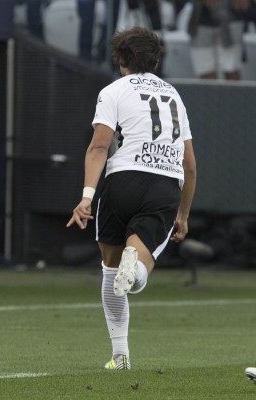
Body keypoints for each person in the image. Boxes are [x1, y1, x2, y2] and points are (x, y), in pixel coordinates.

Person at [66, 27, 197, 370]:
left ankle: (120, 356)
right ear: (155, 60)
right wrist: (182, 213)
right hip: (164, 185)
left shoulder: (113, 91)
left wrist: (86, 197)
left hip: (122, 180)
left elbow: (98, 147)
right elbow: (191, 166)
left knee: (110, 272)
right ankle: (136, 269)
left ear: (120, 60)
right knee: (138, 266)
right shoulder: (174, 95)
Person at [188, 0, 249, 80]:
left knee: (231, 67)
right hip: (200, 20)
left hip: (231, 18)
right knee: (205, 69)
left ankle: (233, 92)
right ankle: (210, 92)